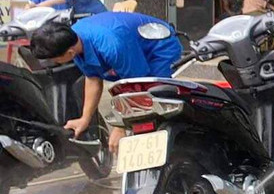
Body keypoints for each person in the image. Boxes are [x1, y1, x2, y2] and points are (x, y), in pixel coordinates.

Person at [29, 11, 182, 152]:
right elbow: (92, 79)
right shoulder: (73, 41)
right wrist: (85, 119)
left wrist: (120, 127)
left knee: (154, 101)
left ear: (69, 53)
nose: (53, 63)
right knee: (140, 110)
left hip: (159, 48)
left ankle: (176, 147)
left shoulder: (111, 46)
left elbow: (137, 84)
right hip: (130, 50)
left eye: (54, 60)